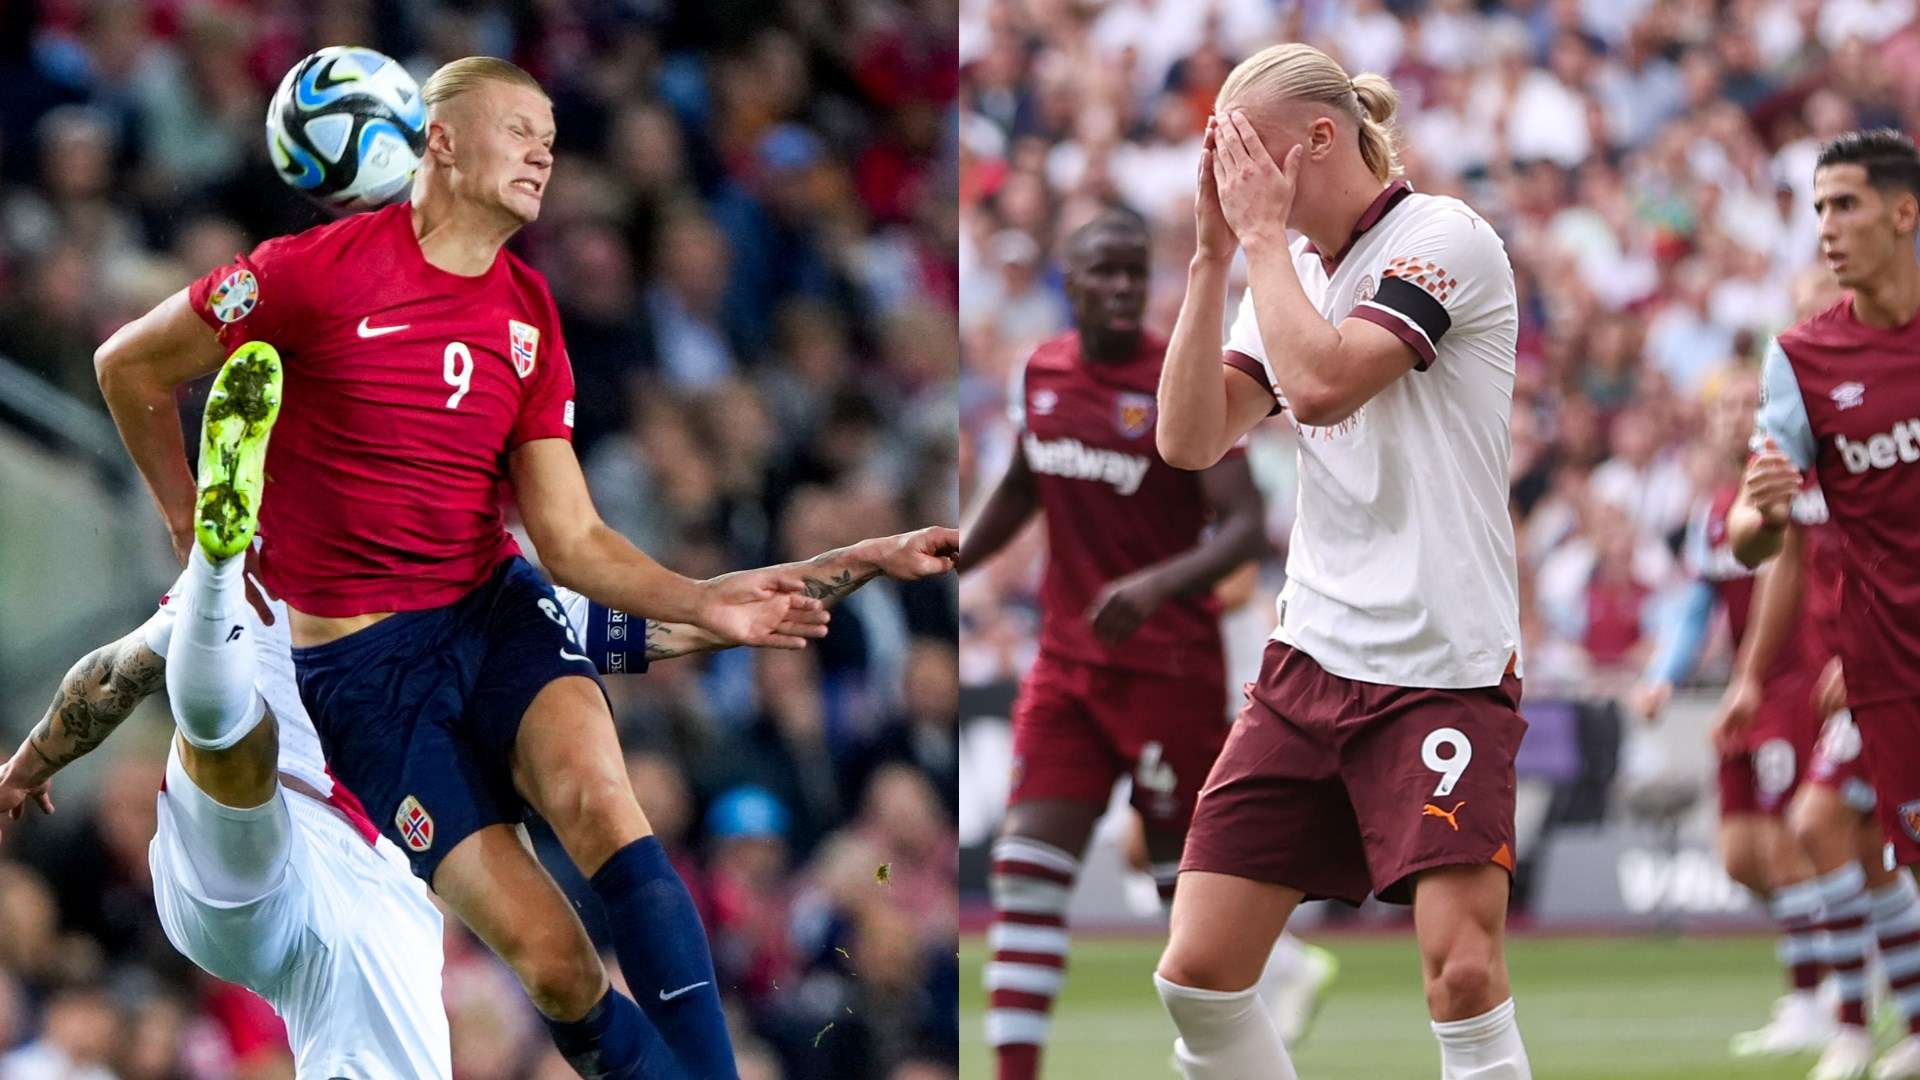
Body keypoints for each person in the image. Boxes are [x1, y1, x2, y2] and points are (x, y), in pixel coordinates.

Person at [88, 57, 956, 1079]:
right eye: (518, 127)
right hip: (366, 679)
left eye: (550, 128)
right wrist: (191, 529)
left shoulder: (529, 311)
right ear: (439, 140)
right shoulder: (303, 275)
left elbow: (576, 540)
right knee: (557, 972)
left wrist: (720, 599)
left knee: (601, 804)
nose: (544, 146)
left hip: (495, 610)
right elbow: (127, 366)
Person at [0, 345, 954, 1079]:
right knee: (228, 733)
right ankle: (211, 559)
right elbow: (117, 672)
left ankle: (210, 581)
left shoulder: (486, 604)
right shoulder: (307, 580)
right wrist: (31, 763)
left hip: (376, 890)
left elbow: (683, 622)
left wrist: (867, 558)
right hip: (245, 852)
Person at [1150, 44, 1529, 1079]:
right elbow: (1188, 439)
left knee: (1462, 972)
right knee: (1197, 975)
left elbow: (1320, 387)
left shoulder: (1445, 237)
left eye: (1246, 152)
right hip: (1311, 658)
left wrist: (1263, 242)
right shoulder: (1281, 273)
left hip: (1441, 665)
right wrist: (1210, 259)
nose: (1232, 177)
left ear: (1320, 139)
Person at [958, 209, 1333, 1080]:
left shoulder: (1181, 375)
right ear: (1071, 279)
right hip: (1066, 671)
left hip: (1168, 671)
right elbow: (1023, 484)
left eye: (1136, 272)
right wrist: (954, 556)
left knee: (1191, 918)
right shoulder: (1042, 371)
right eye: (1106, 272)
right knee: (1024, 875)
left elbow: (1245, 526)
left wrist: (1157, 583)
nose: (1124, 288)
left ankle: (1236, 1049)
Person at [1732, 127, 1920, 1080]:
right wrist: (1754, 517)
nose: (1827, 229)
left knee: (1819, 827)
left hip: (1866, 668)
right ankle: (1864, 1023)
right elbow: (1759, 542)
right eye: (1818, 210)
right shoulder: (1802, 364)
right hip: (1886, 673)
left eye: (1844, 205)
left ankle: (1858, 1023)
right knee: (1856, 845)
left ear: (1903, 210)